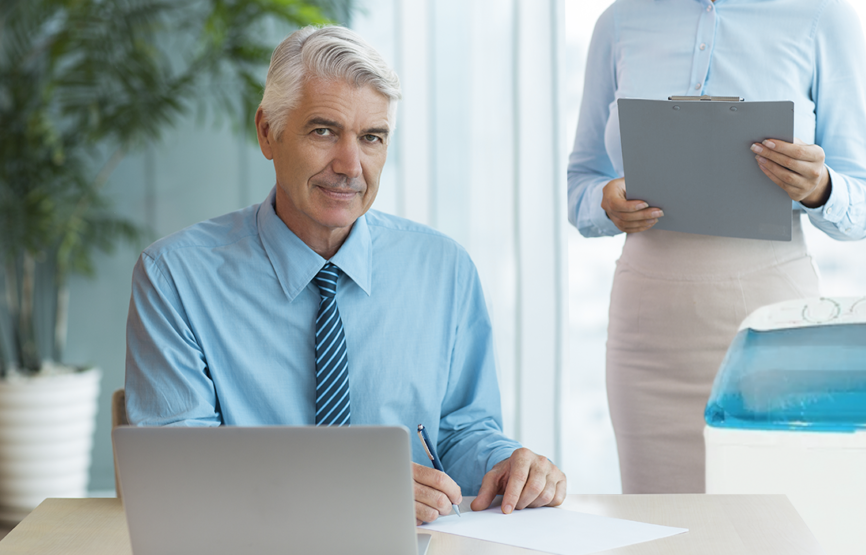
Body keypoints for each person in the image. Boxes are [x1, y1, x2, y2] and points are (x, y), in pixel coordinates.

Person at [125, 24, 566, 523]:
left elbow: (460, 431)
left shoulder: (444, 269)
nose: (350, 165)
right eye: (323, 131)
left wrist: (505, 465)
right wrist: (345, 492)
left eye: (371, 138)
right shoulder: (175, 278)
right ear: (268, 131)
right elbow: (178, 467)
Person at [568, 0, 866, 494]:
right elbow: (581, 183)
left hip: (771, 322)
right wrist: (605, 202)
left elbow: (864, 206)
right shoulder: (620, 21)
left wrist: (819, 187)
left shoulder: (822, 17)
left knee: (773, 524)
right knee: (660, 525)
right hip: (648, 333)